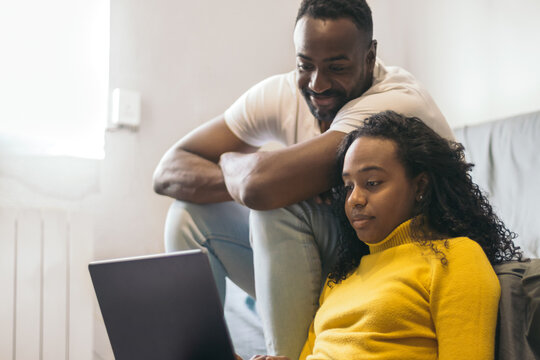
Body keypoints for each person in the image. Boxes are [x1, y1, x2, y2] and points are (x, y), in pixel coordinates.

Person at [153, 0, 453, 358]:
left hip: (400, 271)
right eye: (305, 65)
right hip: (343, 260)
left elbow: (261, 188)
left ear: (370, 57)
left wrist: (257, 174)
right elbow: (169, 170)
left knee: (278, 207)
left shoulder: (395, 104)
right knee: (188, 216)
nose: (317, 83)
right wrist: (252, 171)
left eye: (337, 67)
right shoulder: (282, 94)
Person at [294, 111, 522, 359]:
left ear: (420, 186)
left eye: (372, 182)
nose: (354, 200)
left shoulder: (454, 257)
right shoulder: (340, 278)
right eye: (349, 186)